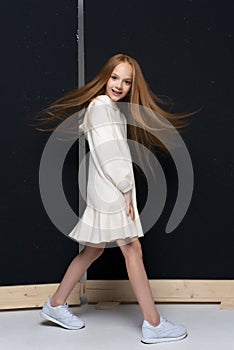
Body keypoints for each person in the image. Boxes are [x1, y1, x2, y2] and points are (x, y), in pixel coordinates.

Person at [37, 54, 190, 344]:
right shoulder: (101, 108)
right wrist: (125, 187)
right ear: (105, 76)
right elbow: (109, 153)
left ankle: (56, 304)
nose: (119, 85)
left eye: (127, 81)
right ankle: (154, 324)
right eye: (115, 77)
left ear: (133, 86)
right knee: (132, 251)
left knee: (93, 251)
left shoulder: (110, 110)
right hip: (110, 192)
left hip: (104, 190)